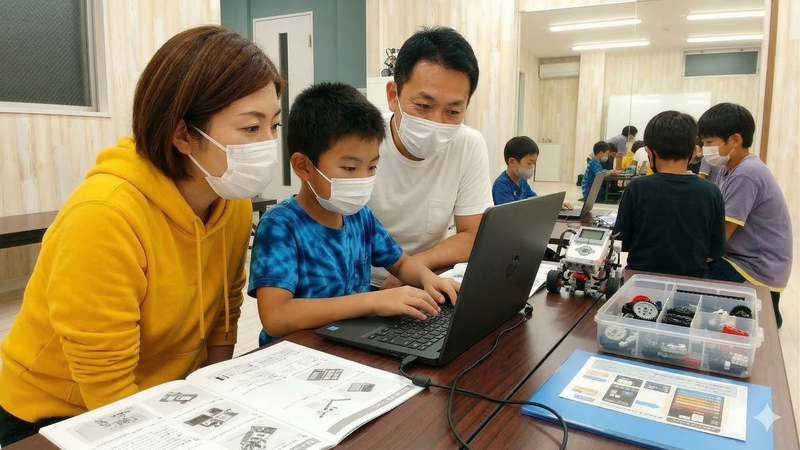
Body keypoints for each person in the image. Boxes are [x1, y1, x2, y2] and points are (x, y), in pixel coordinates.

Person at [0, 26, 278, 445]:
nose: (268, 144)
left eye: (274, 124)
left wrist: (217, 393)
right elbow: (104, 380)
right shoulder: (104, 215)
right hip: (58, 412)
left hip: (162, 396)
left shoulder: (230, 201)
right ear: (183, 134)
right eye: (251, 129)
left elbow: (225, 310)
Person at [249, 82, 460, 345]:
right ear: (303, 167)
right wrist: (373, 301)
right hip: (297, 352)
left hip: (347, 341)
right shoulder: (280, 227)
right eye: (350, 168)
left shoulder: (359, 215)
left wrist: (429, 279)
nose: (363, 179)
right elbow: (276, 317)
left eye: (372, 167)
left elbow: (401, 263)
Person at [367, 26, 493, 290]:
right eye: (423, 106)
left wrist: (411, 269)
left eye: (453, 112)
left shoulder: (468, 144)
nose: (437, 122)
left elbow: (473, 234)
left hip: (425, 280)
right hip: (358, 285)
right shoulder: (361, 140)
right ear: (393, 95)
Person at [699, 103, 793, 328]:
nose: (704, 148)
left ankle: (766, 313)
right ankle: (766, 309)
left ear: (735, 140)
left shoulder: (746, 173)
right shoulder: (730, 169)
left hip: (754, 265)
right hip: (752, 258)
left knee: (689, 276)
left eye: (709, 142)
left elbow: (720, 239)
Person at [613, 111, 726, 277]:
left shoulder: (637, 188)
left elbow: (621, 241)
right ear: (694, 152)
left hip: (640, 280)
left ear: (649, 152)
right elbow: (717, 250)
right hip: (691, 283)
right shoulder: (711, 191)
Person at [492, 136, 573, 209]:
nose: (532, 167)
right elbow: (510, 213)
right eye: (529, 163)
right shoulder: (502, 185)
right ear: (512, 162)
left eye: (534, 163)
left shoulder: (522, 180)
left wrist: (553, 204)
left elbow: (534, 199)